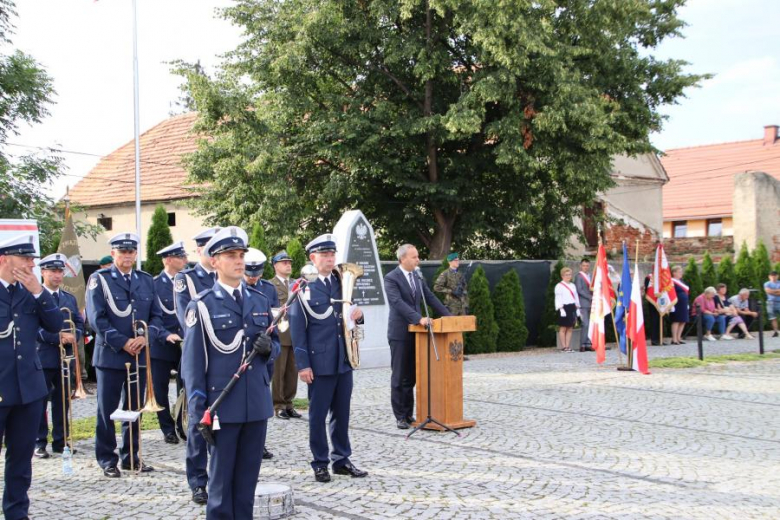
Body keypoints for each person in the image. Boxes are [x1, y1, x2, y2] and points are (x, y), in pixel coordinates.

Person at [181, 226, 279, 519]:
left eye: (241, 255)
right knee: (221, 484)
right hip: (221, 405)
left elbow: (275, 348)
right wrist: (200, 413)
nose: (239, 261)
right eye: (230, 256)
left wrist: (268, 349)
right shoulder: (202, 306)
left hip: (256, 405)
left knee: (247, 483)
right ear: (214, 262)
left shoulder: (260, 301)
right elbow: (193, 366)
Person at [86, 232, 171, 478]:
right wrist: (123, 342)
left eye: (131, 251)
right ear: (113, 254)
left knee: (134, 409)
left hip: (139, 355)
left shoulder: (145, 280)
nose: (127, 256)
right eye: (122, 252)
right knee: (107, 410)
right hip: (111, 355)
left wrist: (146, 337)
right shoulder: (99, 279)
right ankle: (107, 459)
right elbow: (96, 319)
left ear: (136, 254)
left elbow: (157, 316)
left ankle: (131, 457)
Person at [289, 234, 368, 482]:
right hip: (319, 362)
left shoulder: (340, 280)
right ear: (313, 258)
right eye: (324, 255)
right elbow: (297, 329)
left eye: (332, 254)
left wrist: (359, 314)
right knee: (317, 415)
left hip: (342, 359)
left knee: (341, 414)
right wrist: (303, 365)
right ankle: (320, 462)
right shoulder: (303, 286)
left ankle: (341, 460)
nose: (329, 259)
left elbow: (348, 316)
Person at [0, 235, 62, 520]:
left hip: (29, 389)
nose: (30, 265)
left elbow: (55, 324)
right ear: (4, 260)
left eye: (32, 260)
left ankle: (16, 513)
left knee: (21, 459)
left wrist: (39, 291)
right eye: (24, 259)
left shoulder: (31, 292)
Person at [174, 227, 220, 505]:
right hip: (199, 358)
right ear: (200, 251)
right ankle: (198, 481)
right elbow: (185, 318)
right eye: (209, 249)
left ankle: (221, 476)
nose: (214, 254)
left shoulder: (227, 277)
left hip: (226, 363)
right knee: (198, 423)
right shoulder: (186, 279)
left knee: (223, 423)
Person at [383, 244, 450, 430]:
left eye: (417, 256)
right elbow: (397, 303)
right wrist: (418, 318)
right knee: (399, 376)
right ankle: (399, 416)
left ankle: (408, 414)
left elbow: (430, 298)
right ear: (403, 259)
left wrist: (450, 318)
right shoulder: (391, 278)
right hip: (400, 333)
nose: (417, 260)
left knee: (411, 376)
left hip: (418, 334)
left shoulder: (417, 276)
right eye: (414, 257)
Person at [34, 254, 85, 459]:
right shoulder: (35, 297)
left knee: (63, 400)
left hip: (66, 358)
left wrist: (75, 336)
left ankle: (61, 440)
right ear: (43, 272)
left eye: (59, 271)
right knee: (40, 401)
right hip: (43, 357)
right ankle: (39, 442)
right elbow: (34, 329)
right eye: (52, 271)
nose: (57, 275)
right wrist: (57, 337)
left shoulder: (68, 298)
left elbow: (80, 324)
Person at [243, 247, 277, 460]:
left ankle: (259, 443)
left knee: (260, 399)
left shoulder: (268, 289)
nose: (253, 278)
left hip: (264, 354)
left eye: (257, 274)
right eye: (249, 273)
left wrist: (270, 348)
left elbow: (274, 317)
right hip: (245, 354)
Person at [151, 242, 187, 445]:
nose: (184, 260)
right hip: (161, 344)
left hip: (185, 342)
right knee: (160, 389)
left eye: (183, 256)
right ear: (167, 259)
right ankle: (167, 428)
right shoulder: (154, 284)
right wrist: (164, 334)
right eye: (179, 257)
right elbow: (153, 315)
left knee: (186, 386)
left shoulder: (187, 281)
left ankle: (184, 424)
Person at [269, 251, 301, 419]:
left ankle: (289, 403)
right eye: (283, 262)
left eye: (289, 262)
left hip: (296, 333)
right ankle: (278, 404)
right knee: (279, 371)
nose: (288, 265)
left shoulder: (297, 284)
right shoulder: (270, 285)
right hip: (280, 333)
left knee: (292, 371)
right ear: (275, 265)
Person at [554, 267, 580, 352]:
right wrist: (561, 309)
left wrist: (577, 307)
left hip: (572, 307)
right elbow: (558, 298)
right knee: (563, 328)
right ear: (562, 276)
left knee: (570, 328)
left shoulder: (572, 285)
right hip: (564, 308)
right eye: (566, 275)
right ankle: (564, 347)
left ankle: (568, 346)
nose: (568, 276)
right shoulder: (559, 286)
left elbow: (576, 297)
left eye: (570, 274)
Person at [574, 259, 594, 352]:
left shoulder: (590, 276)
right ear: (580, 266)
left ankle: (588, 343)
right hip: (583, 303)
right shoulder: (579, 276)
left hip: (591, 304)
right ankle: (582, 344)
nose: (585, 267)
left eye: (587, 265)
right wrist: (590, 297)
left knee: (591, 325)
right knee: (585, 324)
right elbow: (579, 290)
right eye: (584, 265)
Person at [669, 266, 689, 345]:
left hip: (683, 303)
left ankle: (678, 337)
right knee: (676, 320)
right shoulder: (672, 281)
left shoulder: (681, 281)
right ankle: (674, 339)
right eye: (679, 272)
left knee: (683, 320)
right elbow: (671, 293)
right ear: (674, 273)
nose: (681, 273)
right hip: (676, 303)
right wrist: (671, 305)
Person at [764, 271, 780, 337]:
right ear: (769, 277)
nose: (773, 277)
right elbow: (768, 291)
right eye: (772, 276)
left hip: (779, 302)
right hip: (770, 303)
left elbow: (771, 292)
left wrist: (772, 291)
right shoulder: (766, 283)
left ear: (777, 276)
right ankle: (775, 331)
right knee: (772, 318)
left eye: (775, 275)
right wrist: (777, 291)